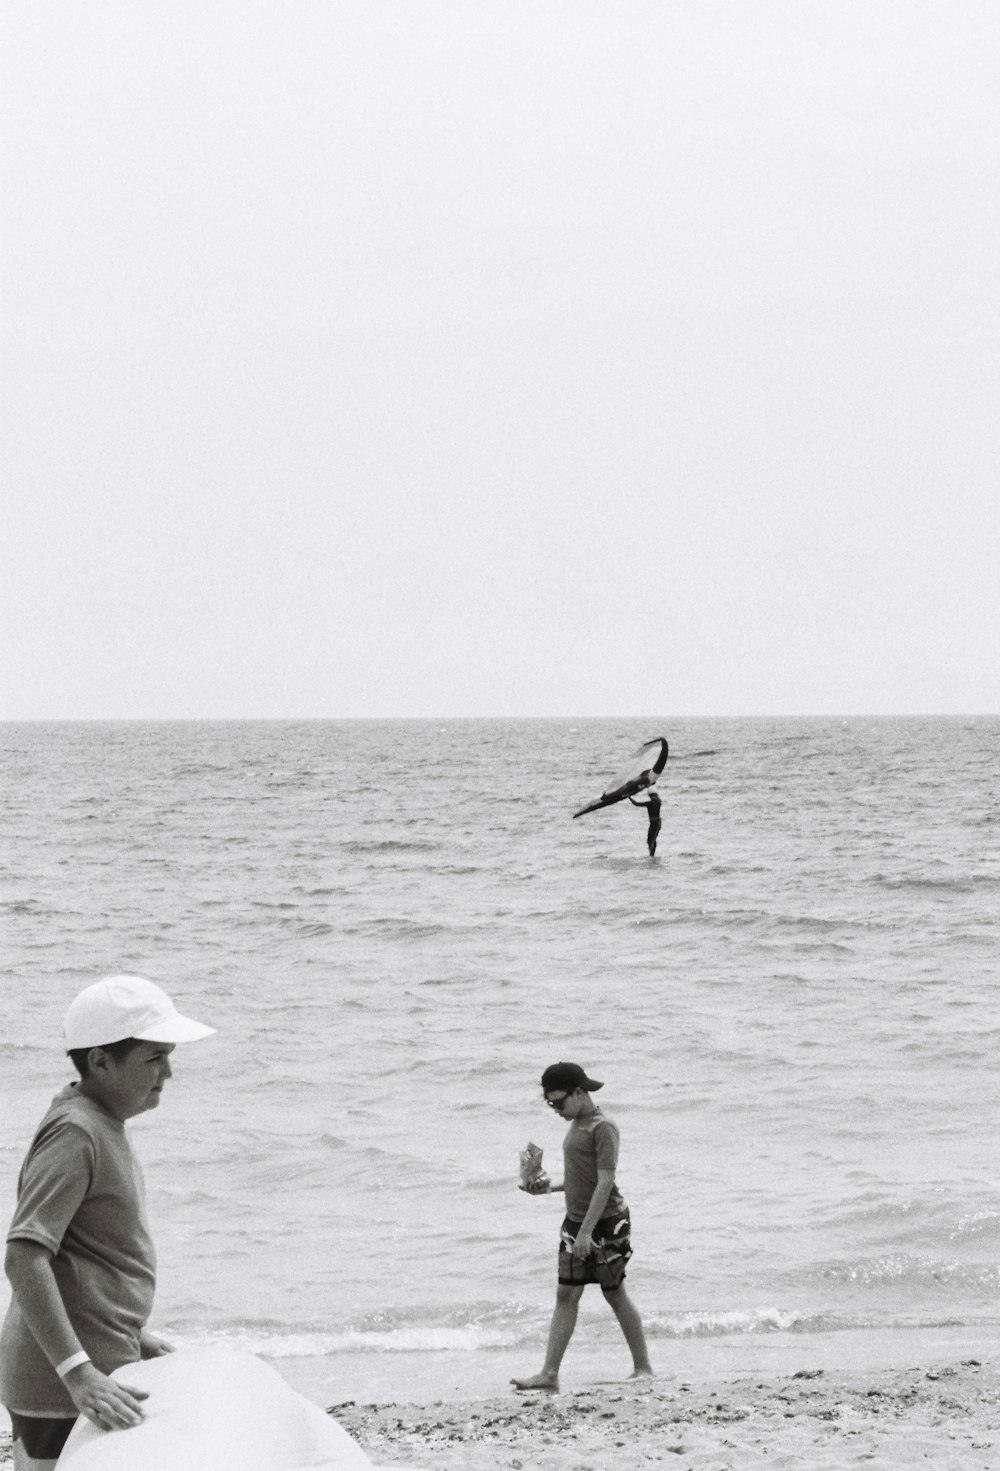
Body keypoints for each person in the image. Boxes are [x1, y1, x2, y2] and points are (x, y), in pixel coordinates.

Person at [0, 976, 215, 1471]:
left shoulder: (98, 1121)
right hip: (61, 1386)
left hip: (86, 1367)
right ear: (100, 1061)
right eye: (154, 1058)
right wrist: (79, 1373)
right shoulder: (77, 1133)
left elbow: (85, 1253)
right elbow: (24, 1256)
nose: (168, 1073)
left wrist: (130, 1334)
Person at [512, 1062, 652, 1392]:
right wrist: (548, 1189)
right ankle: (549, 1374)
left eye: (558, 1102)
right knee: (566, 1294)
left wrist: (587, 1232)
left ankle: (644, 1367)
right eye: (549, 1104)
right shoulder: (577, 1123)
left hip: (605, 1222)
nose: (555, 1109)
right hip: (576, 1221)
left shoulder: (603, 1127)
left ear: (579, 1092)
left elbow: (605, 1184)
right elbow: (582, 1181)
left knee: (614, 1294)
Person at [628, 789, 662, 856]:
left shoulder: (650, 803)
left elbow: (637, 804)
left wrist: (629, 797)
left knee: (651, 839)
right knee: (651, 839)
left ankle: (652, 855)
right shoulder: (658, 801)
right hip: (656, 823)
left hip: (655, 823)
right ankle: (652, 854)